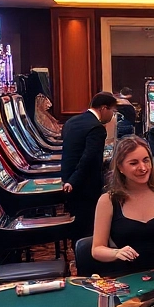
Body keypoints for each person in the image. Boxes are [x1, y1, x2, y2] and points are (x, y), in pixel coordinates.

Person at [90, 136, 154, 278]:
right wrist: (116, 253)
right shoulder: (108, 200)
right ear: (120, 167)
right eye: (133, 163)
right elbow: (97, 249)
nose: (143, 168)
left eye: (146, 160)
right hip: (124, 276)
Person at [61, 92, 118, 239]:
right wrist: (74, 180)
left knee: (76, 226)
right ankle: (87, 258)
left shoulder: (71, 121)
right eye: (113, 110)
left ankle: (78, 254)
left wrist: (69, 180)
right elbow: (89, 158)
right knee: (88, 229)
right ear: (104, 108)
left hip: (68, 179)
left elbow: (69, 152)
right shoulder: (97, 128)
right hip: (85, 184)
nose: (112, 115)